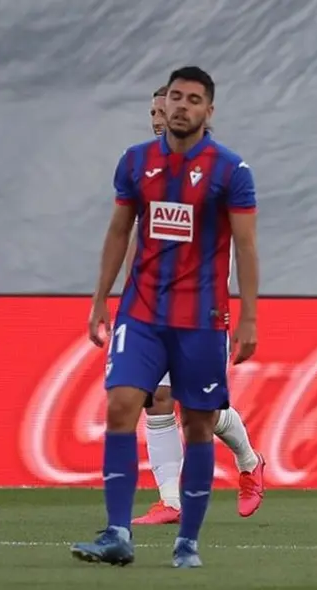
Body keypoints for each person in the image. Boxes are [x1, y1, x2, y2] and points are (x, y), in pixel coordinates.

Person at [71, 66, 260, 568]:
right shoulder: (136, 164)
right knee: (126, 404)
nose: (175, 109)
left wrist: (249, 317)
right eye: (169, 100)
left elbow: (244, 245)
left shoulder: (229, 171)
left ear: (207, 110)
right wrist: (101, 299)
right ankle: (122, 528)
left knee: (199, 422)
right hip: (143, 311)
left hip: (201, 315)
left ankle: (194, 534)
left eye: (188, 100)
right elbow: (121, 232)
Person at [130, 84, 266, 526]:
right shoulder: (145, 170)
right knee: (158, 398)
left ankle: (249, 462)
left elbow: (240, 241)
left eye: (165, 108)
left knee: (198, 409)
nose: (158, 117)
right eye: (154, 110)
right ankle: (170, 500)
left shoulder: (221, 171)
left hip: (203, 306)